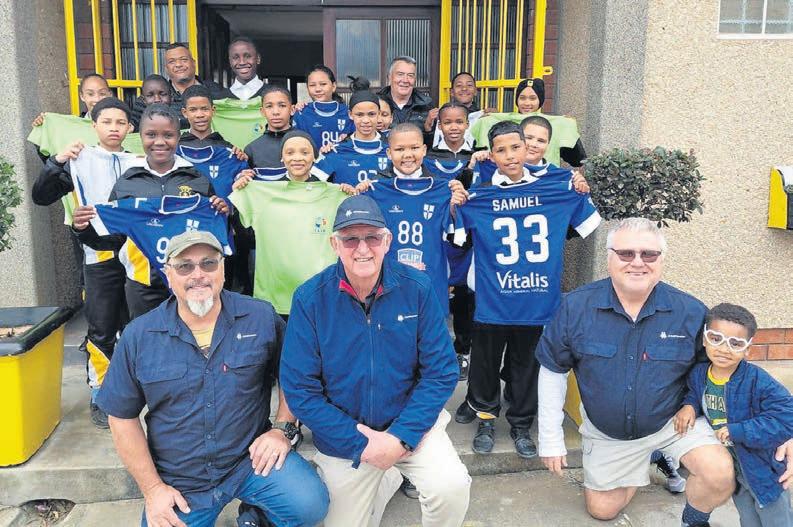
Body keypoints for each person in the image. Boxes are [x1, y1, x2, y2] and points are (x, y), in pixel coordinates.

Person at [96, 230, 328, 527]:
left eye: (208, 263)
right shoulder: (139, 336)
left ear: (222, 269)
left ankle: (257, 516)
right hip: (182, 479)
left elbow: (293, 374)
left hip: (250, 461)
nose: (198, 275)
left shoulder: (259, 317)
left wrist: (282, 429)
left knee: (309, 504)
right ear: (168, 275)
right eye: (185, 266)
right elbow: (121, 417)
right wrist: (153, 490)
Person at [280, 194, 471, 526]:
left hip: (410, 428)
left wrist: (400, 437)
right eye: (350, 239)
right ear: (334, 244)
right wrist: (363, 443)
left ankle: (390, 470)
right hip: (346, 440)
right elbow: (300, 389)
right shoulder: (310, 299)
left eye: (372, 237)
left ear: (387, 242)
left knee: (451, 487)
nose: (362, 248)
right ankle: (388, 475)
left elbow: (441, 372)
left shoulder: (417, 287)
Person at [536, 218, 741, 525]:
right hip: (610, 432)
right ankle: (649, 458)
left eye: (649, 254)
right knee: (602, 510)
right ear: (609, 258)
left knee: (720, 475)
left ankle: (693, 519)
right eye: (626, 253)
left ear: (661, 260)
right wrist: (550, 439)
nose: (637, 262)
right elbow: (553, 371)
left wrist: (695, 405)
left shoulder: (691, 311)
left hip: (673, 423)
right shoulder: (576, 307)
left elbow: (716, 370)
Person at [452, 121, 601, 460]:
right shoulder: (479, 194)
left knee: (527, 367)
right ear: (491, 155)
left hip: (537, 300)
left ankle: (521, 424)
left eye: (516, 147)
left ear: (527, 148)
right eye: (501, 150)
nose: (510, 155)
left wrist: (580, 189)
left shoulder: (555, 188)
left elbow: (586, 224)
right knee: (485, 365)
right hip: (493, 299)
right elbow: (457, 237)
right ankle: (486, 420)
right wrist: (458, 200)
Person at [32, 97, 137, 429]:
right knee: (102, 327)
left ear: (130, 128)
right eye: (106, 122)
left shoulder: (140, 161)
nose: (114, 128)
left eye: (120, 123)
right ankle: (101, 394)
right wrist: (57, 161)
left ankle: (137, 390)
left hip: (137, 257)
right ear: (94, 126)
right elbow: (41, 196)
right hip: (98, 256)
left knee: (136, 326)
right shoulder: (79, 160)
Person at [72, 104, 228, 320]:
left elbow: (214, 238)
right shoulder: (127, 182)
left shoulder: (197, 179)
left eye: (168, 135)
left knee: (196, 336)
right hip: (143, 285)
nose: (160, 142)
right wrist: (83, 229)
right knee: (148, 338)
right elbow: (113, 241)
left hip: (193, 282)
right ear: (141, 136)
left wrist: (224, 212)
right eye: (151, 135)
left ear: (178, 137)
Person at [676, 303, 793, 526]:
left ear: (747, 349)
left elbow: (788, 416)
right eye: (716, 338)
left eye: (735, 343)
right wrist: (689, 406)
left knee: (776, 520)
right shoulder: (699, 374)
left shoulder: (758, 381)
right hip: (736, 468)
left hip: (763, 468)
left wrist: (739, 430)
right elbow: (695, 394)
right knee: (748, 518)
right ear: (704, 339)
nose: (724, 348)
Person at [312, 77, 390, 186]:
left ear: (379, 114)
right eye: (359, 115)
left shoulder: (392, 150)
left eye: (371, 114)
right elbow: (311, 185)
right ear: (350, 115)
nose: (366, 120)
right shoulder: (336, 151)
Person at [292, 65, 355, 148]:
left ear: (333, 86)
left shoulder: (348, 114)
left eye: (323, 84)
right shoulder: (301, 113)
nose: (318, 89)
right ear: (307, 88)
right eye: (312, 85)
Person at [243, 85, 294, 169]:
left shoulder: (305, 141)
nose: (276, 112)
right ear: (262, 111)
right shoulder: (252, 149)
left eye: (282, 105)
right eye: (269, 106)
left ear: (292, 109)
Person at [378, 56, 433, 130]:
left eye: (410, 75)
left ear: (415, 79)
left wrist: (428, 130)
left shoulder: (426, 105)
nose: (405, 80)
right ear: (389, 77)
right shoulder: (376, 103)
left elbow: (433, 135)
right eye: (400, 74)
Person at [163, 42, 224, 107]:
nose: (178, 65)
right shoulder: (162, 97)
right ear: (166, 68)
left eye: (184, 59)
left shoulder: (216, 90)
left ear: (194, 63)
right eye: (172, 62)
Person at [220, 36, 267, 101]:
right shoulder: (220, 99)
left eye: (247, 56)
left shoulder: (275, 95)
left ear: (258, 59)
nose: (242, 62)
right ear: (230, 61)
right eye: (235, 57)